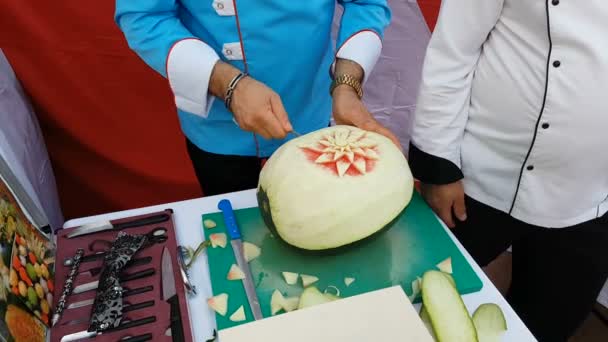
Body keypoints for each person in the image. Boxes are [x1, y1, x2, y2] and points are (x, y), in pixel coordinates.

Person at [409, 1, 608, 341]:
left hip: (589, 198)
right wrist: (437, 165)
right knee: (412, 304)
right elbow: (453, 50)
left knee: (544, 328)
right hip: (481, 177)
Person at [114, 0, 400, 196]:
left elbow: (366, 3)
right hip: (216, 128)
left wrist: (346, 86)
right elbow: (143, 15)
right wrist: (228, 84)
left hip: (311, 114)